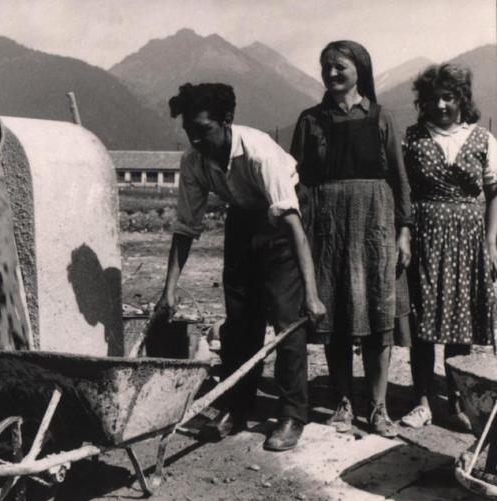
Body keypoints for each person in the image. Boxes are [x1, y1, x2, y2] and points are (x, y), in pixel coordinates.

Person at [157, 82, 325, 452]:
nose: (196, 140)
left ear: (227, 121)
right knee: (239, 321)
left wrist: (311, 296)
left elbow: (294, 225)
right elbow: (185, 228)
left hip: (285, 217)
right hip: (243, 218)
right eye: (189, 132)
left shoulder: (260, 153)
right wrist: (169, 290)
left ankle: (292, 413)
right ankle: (236, 406)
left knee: (286, 319)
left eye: (203, 130)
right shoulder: (194, 161)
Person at [290, 40, 413, 438]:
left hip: (375, 226)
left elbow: (398, 178)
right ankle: (343, 401)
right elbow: (299, 184)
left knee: (380, 316)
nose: (331, 74)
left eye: (339, 67)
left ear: (359, 69)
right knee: (336, 312)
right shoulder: (310, 120)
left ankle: (378, 408)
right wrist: (304, 236)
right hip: (327, 228)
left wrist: (404, 230)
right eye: (326, 67)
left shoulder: (381, 117)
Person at [400, 63, 497, 430]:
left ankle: (456, 402)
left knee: (461, 324)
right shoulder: (412, 138)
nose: (440, 105)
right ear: (422, 103)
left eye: (448, 97)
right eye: (432, 98)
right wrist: (405, 233)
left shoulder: (483, 138)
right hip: (426, 236)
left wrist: (491, 243)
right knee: (423, 321)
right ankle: (421, 401)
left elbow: (494, 192)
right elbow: (403, 191)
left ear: (461, 99)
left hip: (469, 240)